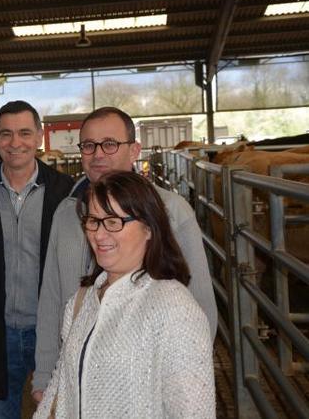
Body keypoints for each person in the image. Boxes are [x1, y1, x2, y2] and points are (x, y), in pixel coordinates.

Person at [32, 106, 218, 400]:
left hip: (144, 382)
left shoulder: (170, 211)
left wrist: (184, 382)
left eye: (110, 144)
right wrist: (44, 374)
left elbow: (201, 304)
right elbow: (52, 297)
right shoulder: (67, 214)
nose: (98, 154)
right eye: (89, 145)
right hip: (77, 379)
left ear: (135, 150)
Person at [0, 101, 74, 418]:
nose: (15, 143)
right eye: (6, 134)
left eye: (24, 133)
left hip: (53, 331)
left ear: (40, 136)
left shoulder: (66, 193)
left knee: (59, 411)